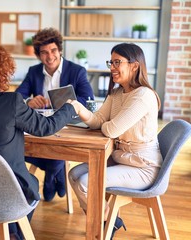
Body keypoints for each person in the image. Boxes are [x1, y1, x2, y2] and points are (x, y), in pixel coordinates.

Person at [0, 44, 77, 240]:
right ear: (1, 71)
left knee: (30, 181)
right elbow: (45, 127)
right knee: (32, 183)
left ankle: (12, 232)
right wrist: (69, 108)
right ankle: (14, 233)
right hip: (8, 190)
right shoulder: (11, 102)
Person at [68, 43, 162, 239]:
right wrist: (78, 108)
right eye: (111, 62)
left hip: (142, 166)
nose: (111, 67)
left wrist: (106, 124)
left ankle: (105, 223)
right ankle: (108, 221)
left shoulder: (143, 96)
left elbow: (111, 129)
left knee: (85, 182)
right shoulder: (117, 93)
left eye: (117, 62)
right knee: (74, 174)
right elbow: (98, 121)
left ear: (134, 66)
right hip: (122, 159)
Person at [15, 27, 94, 202]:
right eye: (44, 53)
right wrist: (29, 101)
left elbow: (88, 99)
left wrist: (64, 103)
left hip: (68, 125)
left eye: (53, 51)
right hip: (41, 125)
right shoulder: (34, 72)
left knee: (56, 148)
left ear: (60, 50)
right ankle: (56, 174)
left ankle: (50, 179)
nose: (49, 57)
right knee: (36, 147)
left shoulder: (77, 71)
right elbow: (18, 95)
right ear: (38, 55)